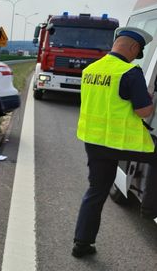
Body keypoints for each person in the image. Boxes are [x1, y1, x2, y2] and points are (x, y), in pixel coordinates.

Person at [73, 26, 157, 258]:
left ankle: (82, 244)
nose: (135, 56)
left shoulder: (91, 69)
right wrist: (148, 100)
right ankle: (150, 208)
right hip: (122, 142)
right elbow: (143, 111)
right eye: (137, 52)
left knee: (96, 191)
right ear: (133, 47)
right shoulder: (129, 72)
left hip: (94, 141)